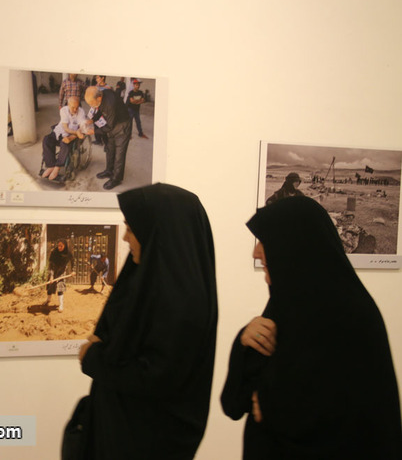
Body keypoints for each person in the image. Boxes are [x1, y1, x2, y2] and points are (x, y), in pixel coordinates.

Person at [221, 196, 402, 459]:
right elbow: (234, 403)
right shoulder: (284, 307)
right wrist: (244, 341)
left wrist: (272, 405)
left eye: (266, 240)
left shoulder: (354, 318)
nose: (256, 252)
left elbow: (355, 424)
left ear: (295, 246)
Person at [77, 183, 218, 459]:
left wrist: (94, 357)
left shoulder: (184, 303)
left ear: (158, 234)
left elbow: (156, 377)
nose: (125, 237)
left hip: (150, 443)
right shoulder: (143, 279)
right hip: (118, 434)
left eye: (131, 229)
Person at [84, 86, 132, 190]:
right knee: (110, 149)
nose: (91, 106)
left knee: (119, 154)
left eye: (91, 103)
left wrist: (94, 131)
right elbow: (100, 110)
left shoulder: (110, 103)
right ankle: (109, 170)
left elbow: (109, 126)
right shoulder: (102, 95)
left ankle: (116, 179)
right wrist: (93, 120)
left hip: (122, 126)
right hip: (112, 122)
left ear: (99, 98)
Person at [40, 96, 90, 181]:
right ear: (68, 105)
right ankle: (51, 166)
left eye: (77, 107)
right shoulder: (63, 110)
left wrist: (73, 136)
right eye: (73, 107)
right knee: (46, 140)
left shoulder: (81, 112)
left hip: (71, 135)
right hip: (60, 131)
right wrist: (77, 132)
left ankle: (57, 167)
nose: (75, 109)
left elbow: (82, 128)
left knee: (65, 144)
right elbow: (66, 128)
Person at [46, 239, 73, 312]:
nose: (59, 247)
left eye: (61, 246)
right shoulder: (54, 253)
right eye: (58, 246)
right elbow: (51, 265)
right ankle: (48, 299)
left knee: (60, 286)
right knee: (50, 285)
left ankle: (61, 305)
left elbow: (72, 261)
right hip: (53, 270)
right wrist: (51, 276)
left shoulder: (68, 253)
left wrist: (73, 270)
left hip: (61, 271)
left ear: (65, 246)